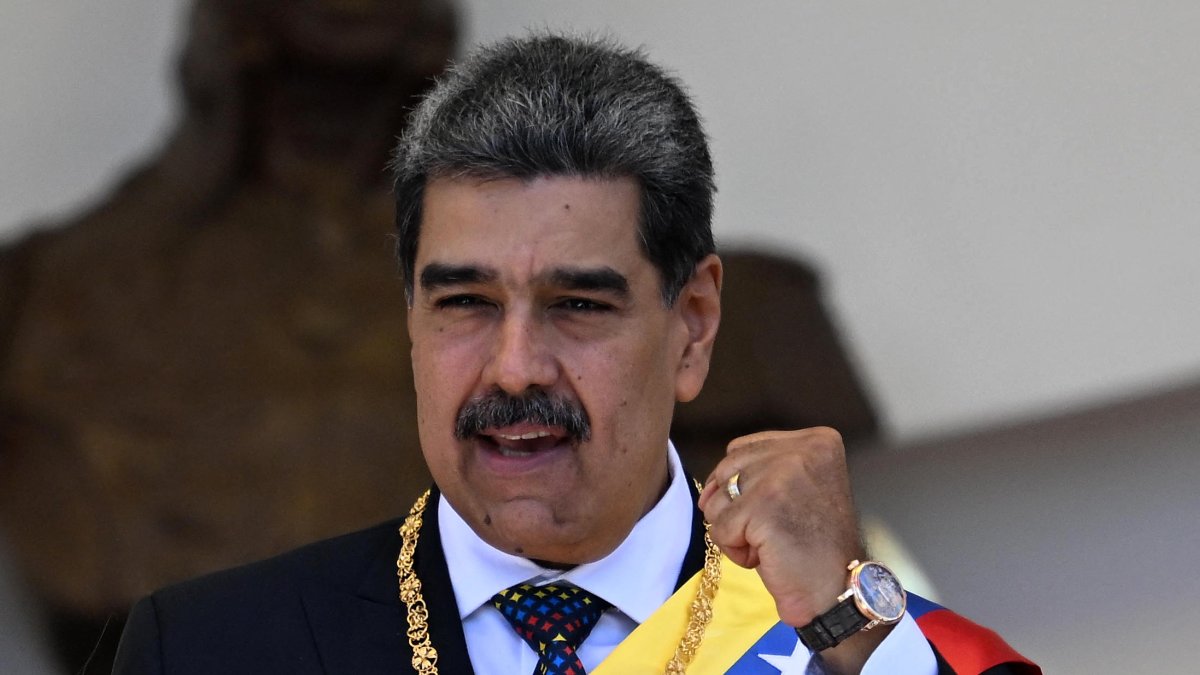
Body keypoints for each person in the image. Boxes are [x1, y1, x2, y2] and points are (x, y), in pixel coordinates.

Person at [112, 33, 1039, 674]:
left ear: (695, 324)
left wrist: (854, 636)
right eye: (465, 302)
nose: (515, 367)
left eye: (577, 304)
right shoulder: (210, 647)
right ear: (409, 318)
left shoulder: (834, 635)